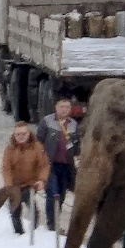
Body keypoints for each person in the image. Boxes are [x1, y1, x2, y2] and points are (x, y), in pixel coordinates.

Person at [35, 97, 80, 232]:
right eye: (62, 107)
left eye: (67, 107)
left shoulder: (73, 124)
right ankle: (51, 225)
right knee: (53, 193)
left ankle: (54, 220)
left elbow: (77, 145)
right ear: (56, 107)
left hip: (66, 165)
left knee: (61, 195)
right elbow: (38, 142)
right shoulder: (47, 121)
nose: (64, 110)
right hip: (50, 165)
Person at [1, 121, 50, 234]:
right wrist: (9, 186)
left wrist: (42, 180)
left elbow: (44, 165)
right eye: (18, 134)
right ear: (14, 135)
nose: (21, 137)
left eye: (24, 134)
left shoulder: (37, 147)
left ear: (29, 134)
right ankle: (18, 234)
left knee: (33, 210)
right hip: (14, 186)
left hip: (30, 184)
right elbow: (6, 169)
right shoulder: (9, 149)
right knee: (15, 212)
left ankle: (35, 233)